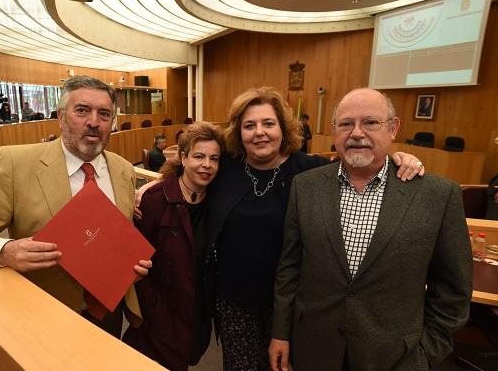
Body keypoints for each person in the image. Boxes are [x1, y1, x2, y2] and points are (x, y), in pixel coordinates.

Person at [135, 86, 424, 370]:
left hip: (294, 306)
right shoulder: (227, 167)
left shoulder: (311, 170)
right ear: (239, 133)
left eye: (268, 123)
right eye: (250, 125)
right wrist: (157, 184)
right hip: (234, 303)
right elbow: (192, 171)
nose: (259, 131)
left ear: (283, 128)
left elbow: (359, 164)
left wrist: (399, 158)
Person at [0, 76, 152, 338]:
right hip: (47, 317)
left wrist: (130, 266)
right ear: (61, 117)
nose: (93, 121)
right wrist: (5, 251)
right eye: (82, 110)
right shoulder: (16, 164)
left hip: (112, 311)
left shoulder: (123, 169)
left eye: (104, 114)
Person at [269, 88, 472, 371]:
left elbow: (453, 290)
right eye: (346, 124)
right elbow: (289, 268)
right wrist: (281, 332)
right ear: (334, 131)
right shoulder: (305, 186)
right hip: (314, 350)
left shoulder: (437, 195)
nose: (356, 133)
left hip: (395, 357)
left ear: (393, 128)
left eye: (370, 122)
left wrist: (425, 354)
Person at [123, 122, 225, 371]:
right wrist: (153, 309)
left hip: (197, 311)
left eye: (214, 158)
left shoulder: (218, 199)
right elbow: (136, 261)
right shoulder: (154, 200)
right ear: (183, 157)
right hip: (157, 313)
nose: (207, 165)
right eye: (199, 156)